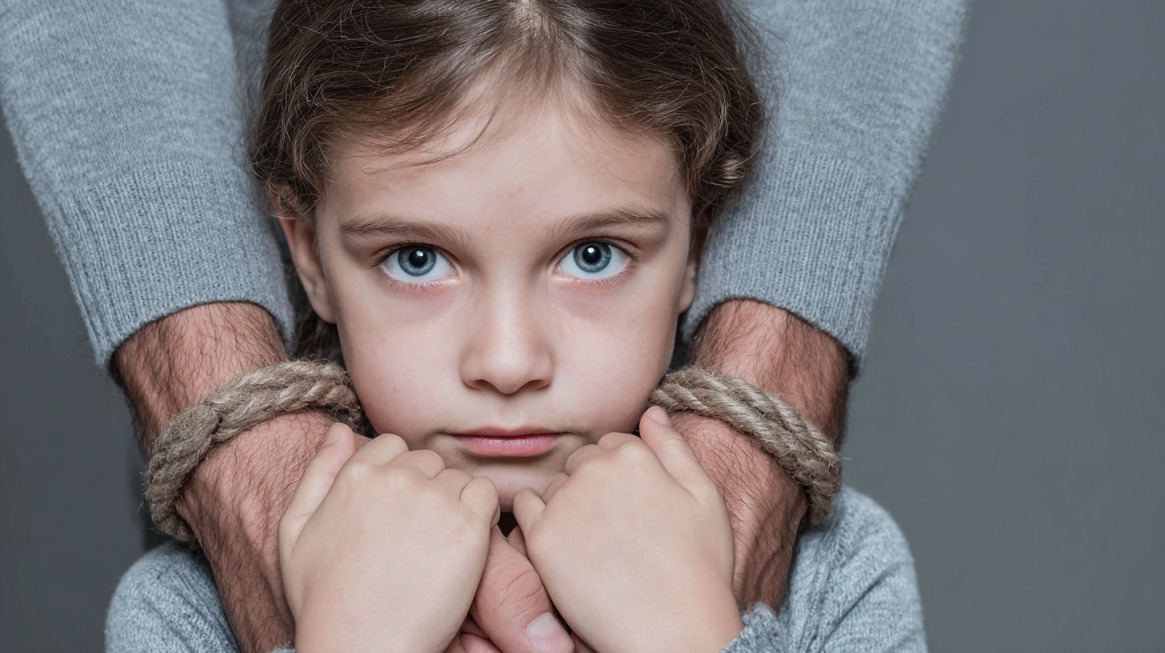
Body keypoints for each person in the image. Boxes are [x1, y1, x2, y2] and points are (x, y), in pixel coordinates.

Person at [0, 0, 966, 651]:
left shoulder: (842, 578)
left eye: (593, 254)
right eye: (416, 258)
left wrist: (687, 633)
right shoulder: (183, 614)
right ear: (307, 254)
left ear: (700, 246)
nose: (507, 361)